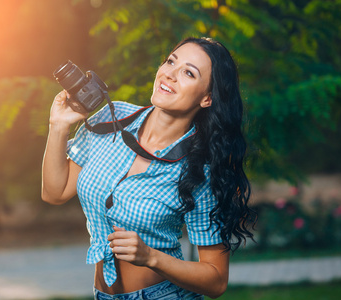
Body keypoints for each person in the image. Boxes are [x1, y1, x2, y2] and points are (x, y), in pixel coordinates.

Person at [41, 37, 256, 299]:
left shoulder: (201, 168)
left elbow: (216, 281)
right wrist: (58, 126)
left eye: (188, 73)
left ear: (207, 98)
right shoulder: (112, 117)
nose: (170, 74)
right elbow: (55, 192)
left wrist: (151, 257)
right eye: (170, 61)